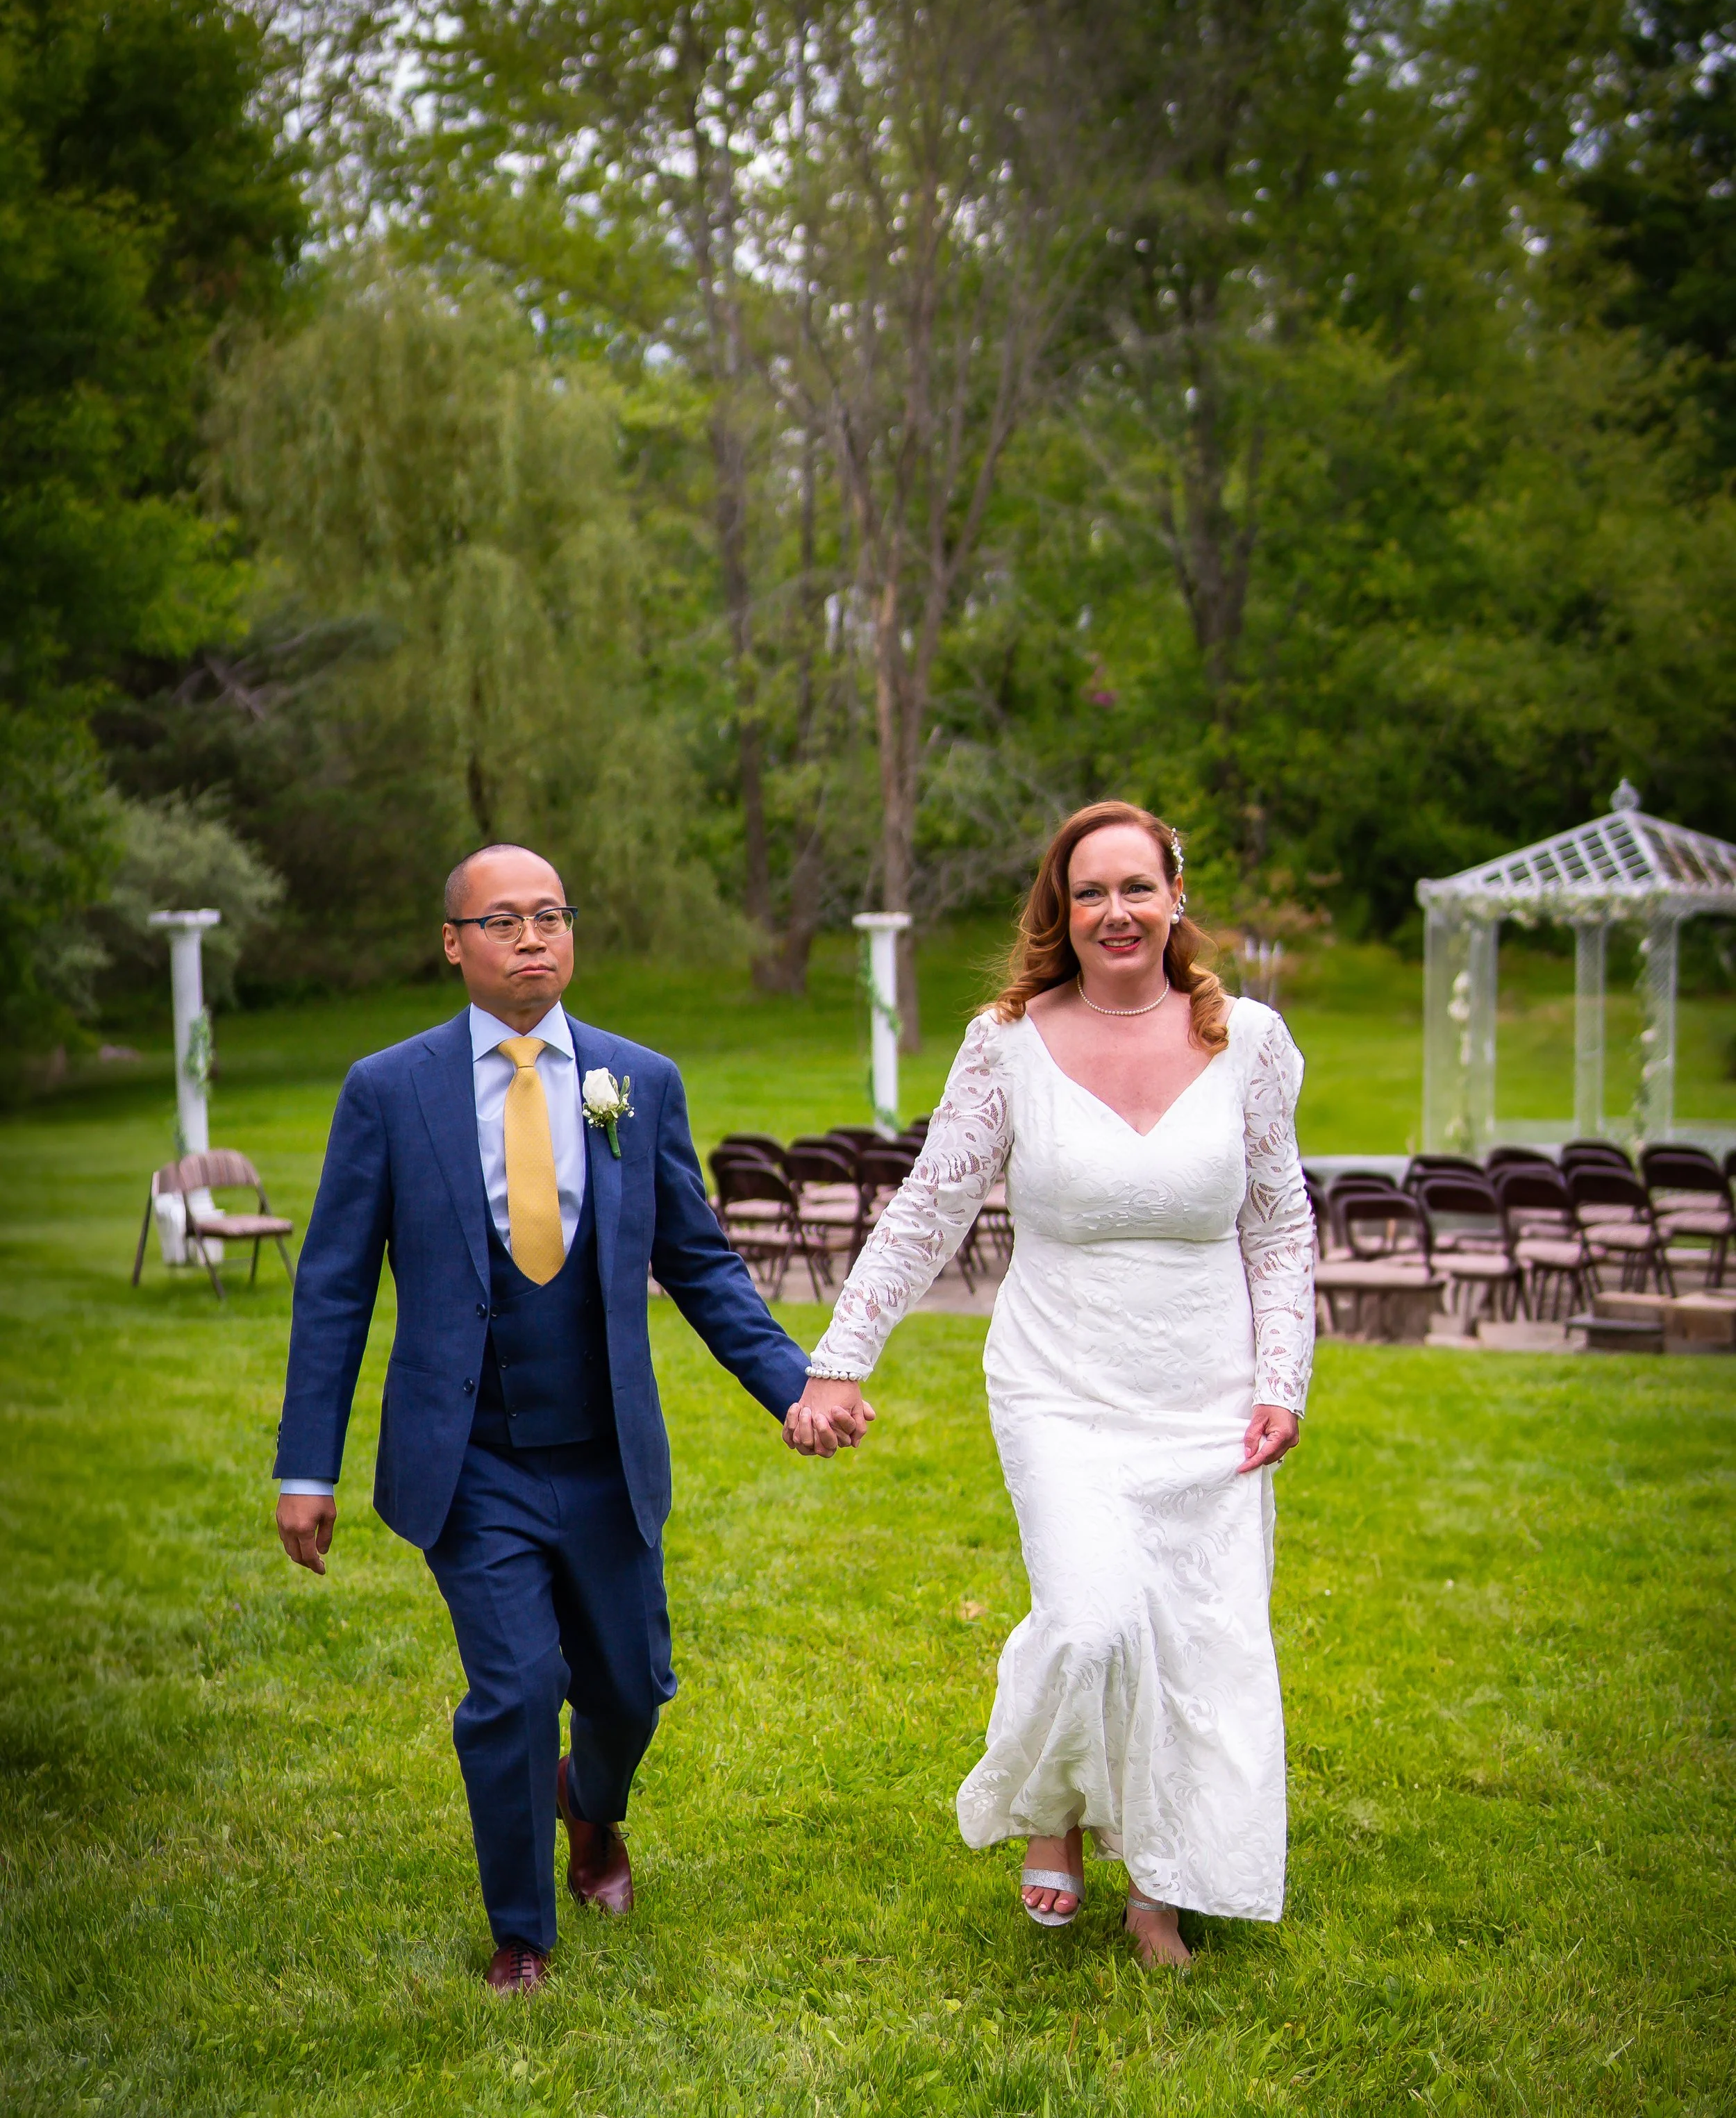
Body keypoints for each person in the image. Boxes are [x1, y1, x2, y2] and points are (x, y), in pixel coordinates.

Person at [274, 846, 857, 1995]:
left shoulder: (636, 1080)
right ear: (454, 943)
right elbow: (335, 1284)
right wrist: (308, 1466)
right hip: (470, 1456)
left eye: (552, 916)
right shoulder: (388, 1091)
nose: (533, 937)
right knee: (517, 1688)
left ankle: (591, 1809)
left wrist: (794, 1381)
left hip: (604, 1456)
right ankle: (522, 1932)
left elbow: (700, 1262)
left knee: (632, 1688)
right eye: (503, 920)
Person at [783, 801, 1314, 1969]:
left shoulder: (1252, 1043)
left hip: (1210, 1392)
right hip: (1059, 1384)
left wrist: (1284, 1376)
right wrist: (838, 1359)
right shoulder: (1007, 1042)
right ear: (1060, 912)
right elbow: (928, 1207)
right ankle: (1052, 1806)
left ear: (1176, 896)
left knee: (1197, 1637)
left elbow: (1279, 1225)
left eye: (1137, 887)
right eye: (1090, 892)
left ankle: (1161, 1894)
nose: (1115, 911)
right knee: (1092, 1621)